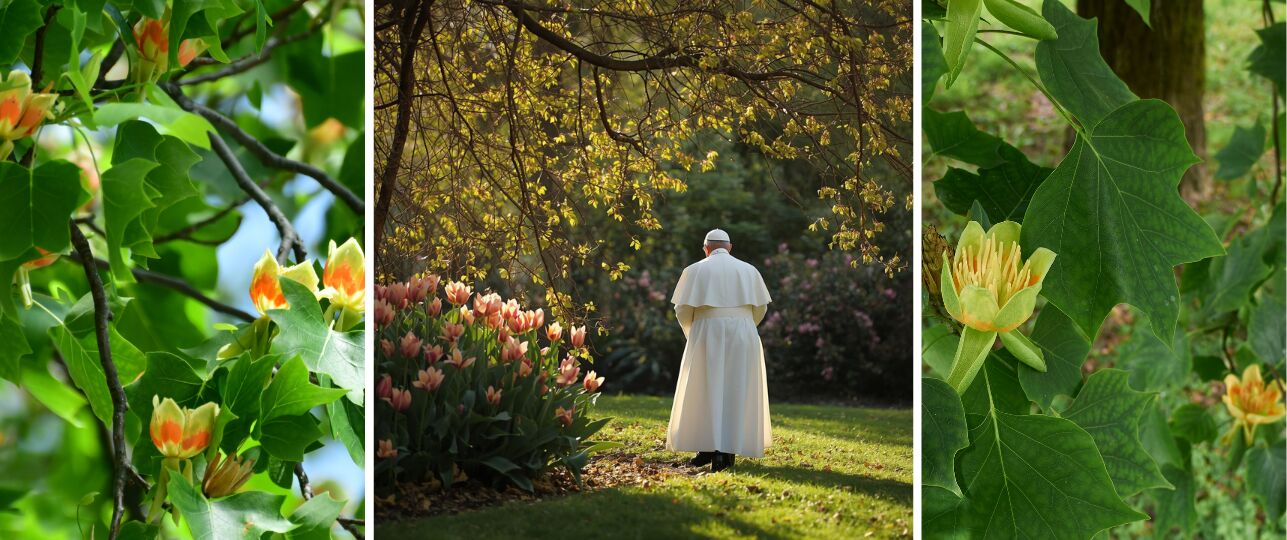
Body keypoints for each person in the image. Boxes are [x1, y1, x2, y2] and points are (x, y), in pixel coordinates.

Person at [666, 228, 772, 472]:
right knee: (737, 389)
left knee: (705, 388)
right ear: (730, 247)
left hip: (706, 331)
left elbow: (682, 310)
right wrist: (744, 326)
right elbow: (761, 309)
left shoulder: (693, 270)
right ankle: (724, 451)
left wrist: (694, 332)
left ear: (706, 249)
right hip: (744, 333)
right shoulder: (749, 270)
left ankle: (709, 450)